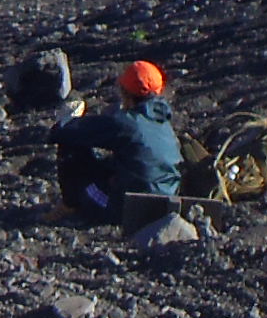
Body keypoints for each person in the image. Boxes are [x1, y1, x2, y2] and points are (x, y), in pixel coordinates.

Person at [54, 59, 182, 221]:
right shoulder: (163, 124)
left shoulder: (126, 122)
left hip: (126, 209)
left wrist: (69, 118)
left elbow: (64, 132)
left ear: (125, 92)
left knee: (70, 147)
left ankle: (69, 207)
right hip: (164, 203)